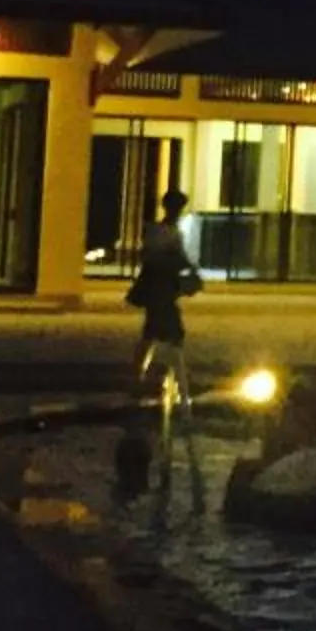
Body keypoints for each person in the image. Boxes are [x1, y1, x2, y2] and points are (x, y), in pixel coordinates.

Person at [120, 190, 203, 497]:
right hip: (162, 291)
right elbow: (168, 259)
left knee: (152, 334)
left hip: (160, 291)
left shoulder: (159, 231)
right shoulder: (164, 232)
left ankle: (141, 379)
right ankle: (179, 392)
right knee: (166, 335)